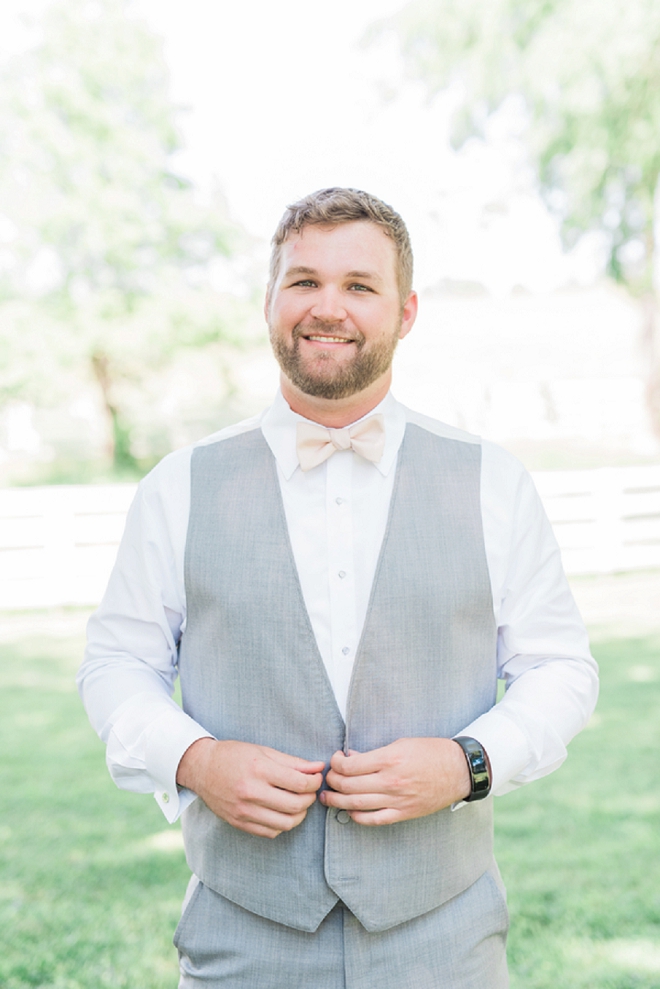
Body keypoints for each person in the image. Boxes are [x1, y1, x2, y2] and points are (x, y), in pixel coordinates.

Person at [78, 187, 598, 988]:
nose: (329, 307)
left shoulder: (494, 481)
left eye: (360, 285)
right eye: (304, 281)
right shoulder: (178, 486)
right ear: (270, 301)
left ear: (407, 310)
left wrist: (470, 763)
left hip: (446, 939)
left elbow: (561, 668)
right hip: (242, 938)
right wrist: (194, 758)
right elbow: (116, 664)